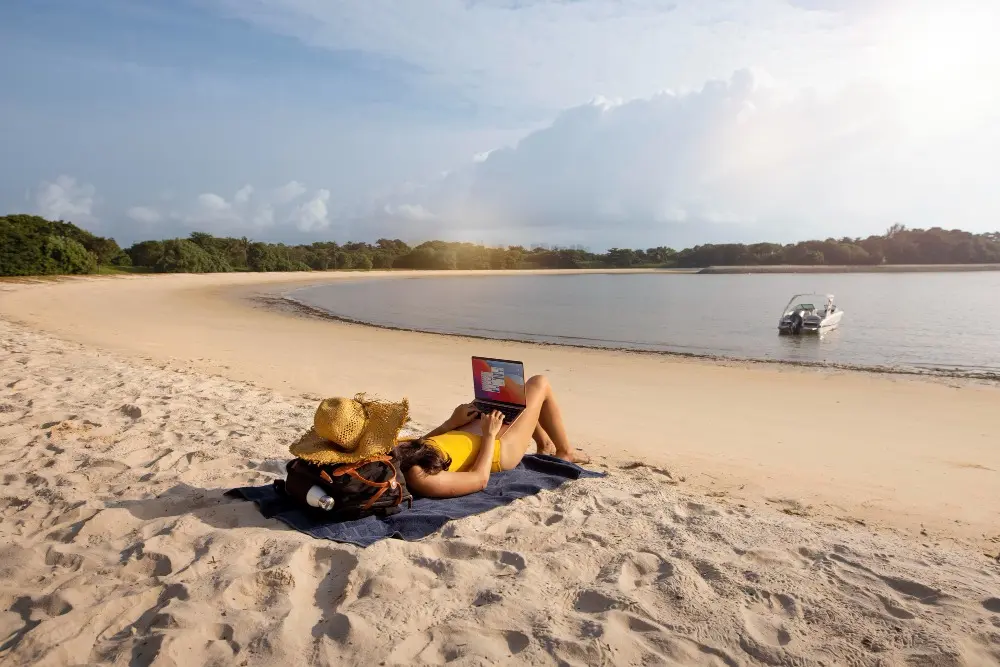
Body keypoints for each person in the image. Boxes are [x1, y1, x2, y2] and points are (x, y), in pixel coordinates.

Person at [394, 375, 589, 498]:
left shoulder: (388, 451)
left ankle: (544, 444)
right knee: (539, 383)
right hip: (496, 449)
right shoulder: (421, 478)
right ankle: (565, 452)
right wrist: (489, 435)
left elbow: (420, 445)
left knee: (509, 391)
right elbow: (479, 479)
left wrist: (451, 422)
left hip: (462, 432)